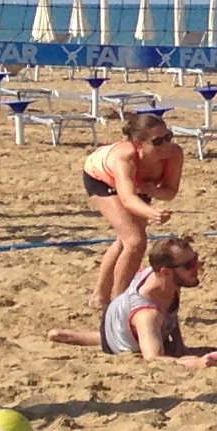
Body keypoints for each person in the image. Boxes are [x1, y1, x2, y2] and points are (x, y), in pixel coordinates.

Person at [47, 233, 217, 366]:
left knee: (140, 332)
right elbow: (154, 359)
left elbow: (171, 308)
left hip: (120, 316)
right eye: (190, 264)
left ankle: (68, 335)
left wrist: (179, 344)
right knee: (135, 338)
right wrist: (197, 363)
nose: (198, 265)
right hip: (119, 333)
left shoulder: (163, 278)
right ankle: (73, 336)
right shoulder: (147, 315)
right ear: (165, 272)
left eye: (195, 258)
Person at [82, 107, 185, 311]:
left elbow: (170, 192)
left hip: (138, 185)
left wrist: (152, 191)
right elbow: (128, 199)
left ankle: (100, 296)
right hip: (101, 178)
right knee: (135, 241)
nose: (166, 144)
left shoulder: (174, 154)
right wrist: (152, 213)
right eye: (157, 141)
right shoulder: (125, 157)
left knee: (125, 241)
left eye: (168, 136)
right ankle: (119, 303)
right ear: (138, 144)